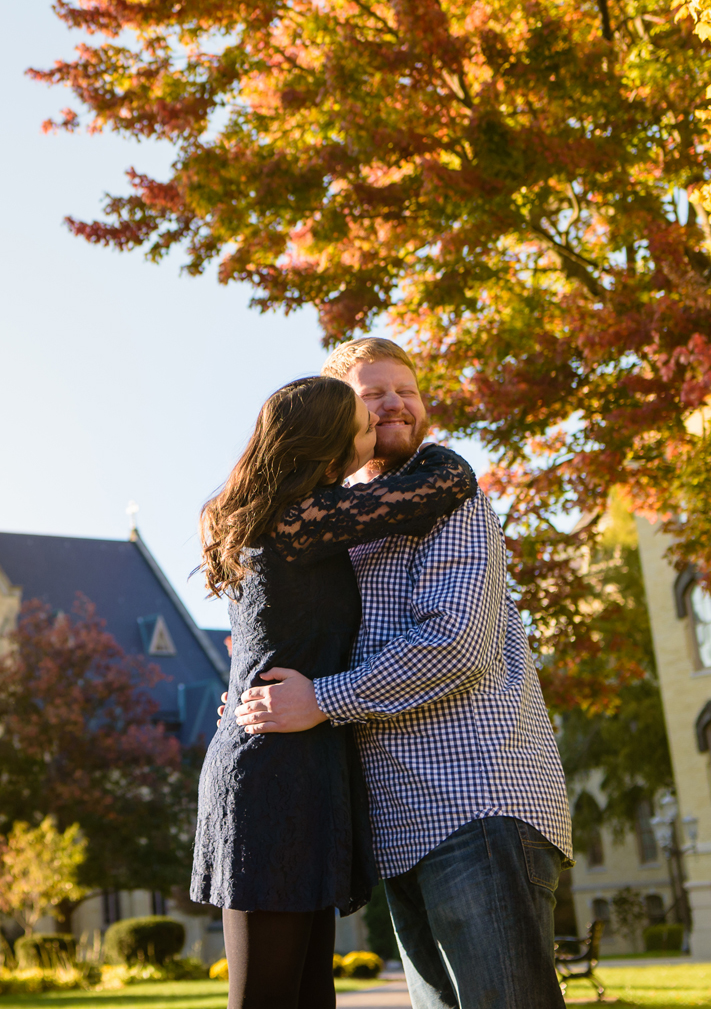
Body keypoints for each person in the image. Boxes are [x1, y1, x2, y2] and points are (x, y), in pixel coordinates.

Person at [233, 338, 573, 1009]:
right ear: (339, 419)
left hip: (476, 800)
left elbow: (456, 644)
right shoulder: (332, 521)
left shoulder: (450, 496)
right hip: (394, 823)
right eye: (373, 392)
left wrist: (320, 698)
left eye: (407, 390)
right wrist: (252, 695)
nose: (395, 402)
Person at [193, 374, 479, 1009]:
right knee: (267, 996)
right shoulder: (296, 521)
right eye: (362, 424)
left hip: (306, 758)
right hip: (271, 769)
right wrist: (423, 444)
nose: (374, 430)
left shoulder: (292, 517)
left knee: (310, 994)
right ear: (329, 443)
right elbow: (449, 482)